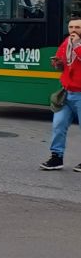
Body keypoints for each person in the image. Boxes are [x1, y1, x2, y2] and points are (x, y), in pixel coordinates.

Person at [41, 17, 81, 171]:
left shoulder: (75, 43)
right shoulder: (67, 42)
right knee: (58, 125)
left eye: (77, 27)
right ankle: (56, 157)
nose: (73, 30)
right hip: (67, 93)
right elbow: (62, 63)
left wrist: (77, 45)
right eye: (71, 27)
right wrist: (57, 63)